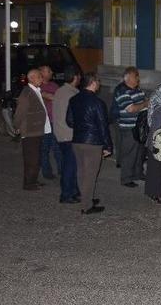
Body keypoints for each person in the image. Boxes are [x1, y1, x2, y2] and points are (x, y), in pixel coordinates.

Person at [65, 72, 112, 214]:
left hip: (77, 140)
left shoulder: (74, 99)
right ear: (93, 83)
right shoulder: (98, 103)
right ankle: (86, 206)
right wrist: (108, 145)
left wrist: (82, 127)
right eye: (98, 81)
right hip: (93, 142)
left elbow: (69, 121)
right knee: (90, 174)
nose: (99, 84)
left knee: (81, 172)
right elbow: (103, 126)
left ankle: (87, 198)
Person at [13, 68, 49, 191]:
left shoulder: (35, 91)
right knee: (31, 159)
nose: (42, 79)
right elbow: (19, 113)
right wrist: (17, 127)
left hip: (36, 130)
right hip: (30, 131)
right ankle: (29, 184)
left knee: (35, 158)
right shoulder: (27, 93)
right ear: (32, 78)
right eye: (39, 76)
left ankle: (33, 180)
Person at [114, 67, 148, 188]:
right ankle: (126, 178)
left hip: (140, 127)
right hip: (128, 127)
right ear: (127, 78)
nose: (138, 78)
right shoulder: (122, 91)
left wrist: (144, 105)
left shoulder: (137, 90)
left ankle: (138, 173)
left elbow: (141, 105)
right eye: (135, 76)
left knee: (140, 152)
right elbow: (131, 109)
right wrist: (144, 104)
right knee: (129, 153)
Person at [52, 66, 81, 204]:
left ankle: (74, 191)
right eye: (79, 76)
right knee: (70, 166)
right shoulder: (72, 95)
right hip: (69, 134)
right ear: (75, 77)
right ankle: (66, 194)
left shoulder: (60, 91)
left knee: (70, 164)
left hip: (60, 133)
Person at [38, 65, 61, 180]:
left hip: (55, 121)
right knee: (45, 148)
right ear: (41, 73)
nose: (51, 72)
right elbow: (50, 96)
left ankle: (62, 170)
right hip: (45, 122)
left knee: (57, 148)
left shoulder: (54, 85)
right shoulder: (38, 86)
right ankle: (47, 173)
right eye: (48, 71)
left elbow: (59, 97)